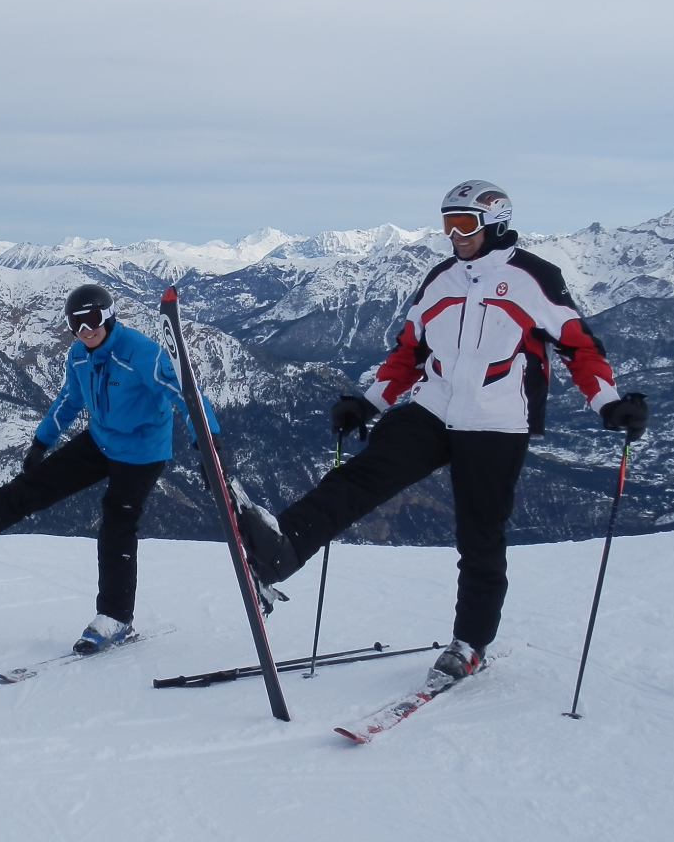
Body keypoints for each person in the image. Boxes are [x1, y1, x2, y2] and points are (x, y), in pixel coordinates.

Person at [238, 180, 649, 685]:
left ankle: (470, 643)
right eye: (448, 224)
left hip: (496, 421)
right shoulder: (442, 279)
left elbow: (579, 347)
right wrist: (368, 403)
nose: (455, 235)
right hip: (431, 409)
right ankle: (283, 550)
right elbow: (409, 351)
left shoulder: (533, 278)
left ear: (495, 223)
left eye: (465, 225)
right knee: (360, 478)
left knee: (480, 536)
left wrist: (608, 403)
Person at [0, 283, 219, 654]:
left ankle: (115, 618)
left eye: (92, 320)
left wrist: (207, 443)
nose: (85, 330)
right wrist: (42, 441)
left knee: (117, 521)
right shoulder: (79, 355)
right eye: (75, 324)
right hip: (101, 438)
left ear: (109, 317)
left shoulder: (141, 353)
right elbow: (69, 399)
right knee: (34, 485)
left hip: (142, 451)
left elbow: (185, 393)